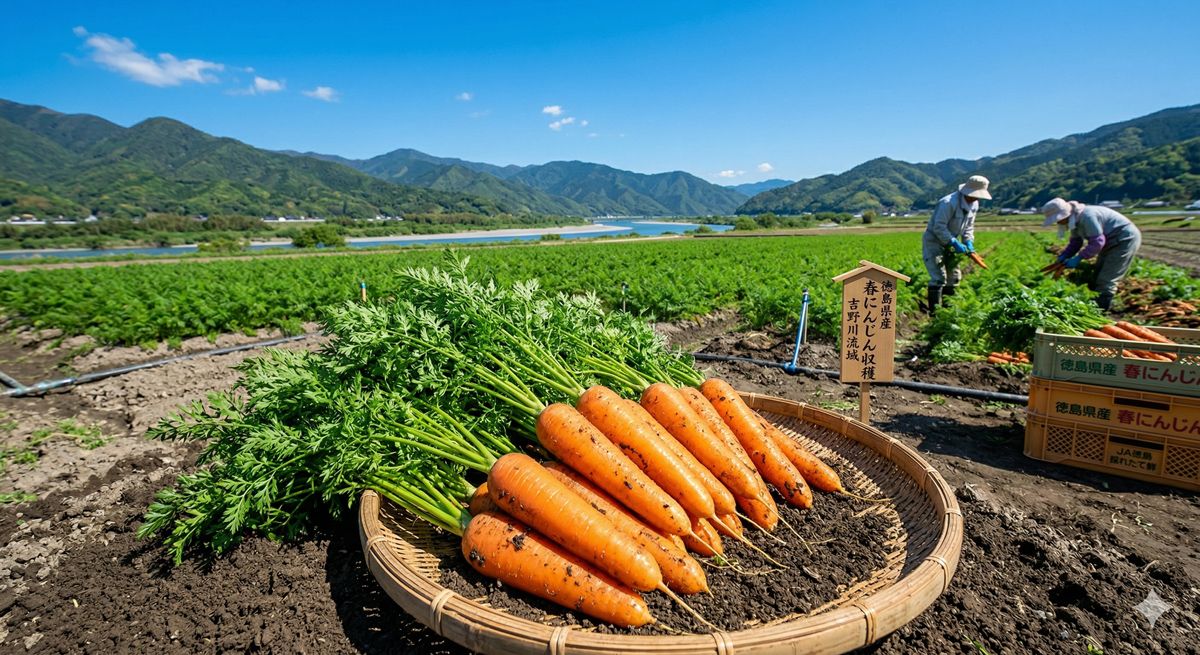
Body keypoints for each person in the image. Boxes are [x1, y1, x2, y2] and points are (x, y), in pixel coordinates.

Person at [1040, 198, 1141, 310]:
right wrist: (1065, 255)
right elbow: (1076, 242)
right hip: (1110, 241)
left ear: (1065, 215)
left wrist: (1078, 258)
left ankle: (1101, 313)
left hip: (1124, 240)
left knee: (1106, 279)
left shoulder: (1087, 216)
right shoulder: (1074, 220)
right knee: (1097, 274)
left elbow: (1098, 242)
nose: (1057, 222)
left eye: (1058, 220)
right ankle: (1096, 306)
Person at [923, 175, 991, 313]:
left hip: (950, 243)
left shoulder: (974, 204)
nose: (976, 198)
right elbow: (939, 227)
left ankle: (948, 312)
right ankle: (935, 315)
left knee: (954, 277)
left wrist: (969, 242)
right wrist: (954, 242)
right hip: (934, 242)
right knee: (939, 277)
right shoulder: (948, 203)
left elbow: (969, 227)